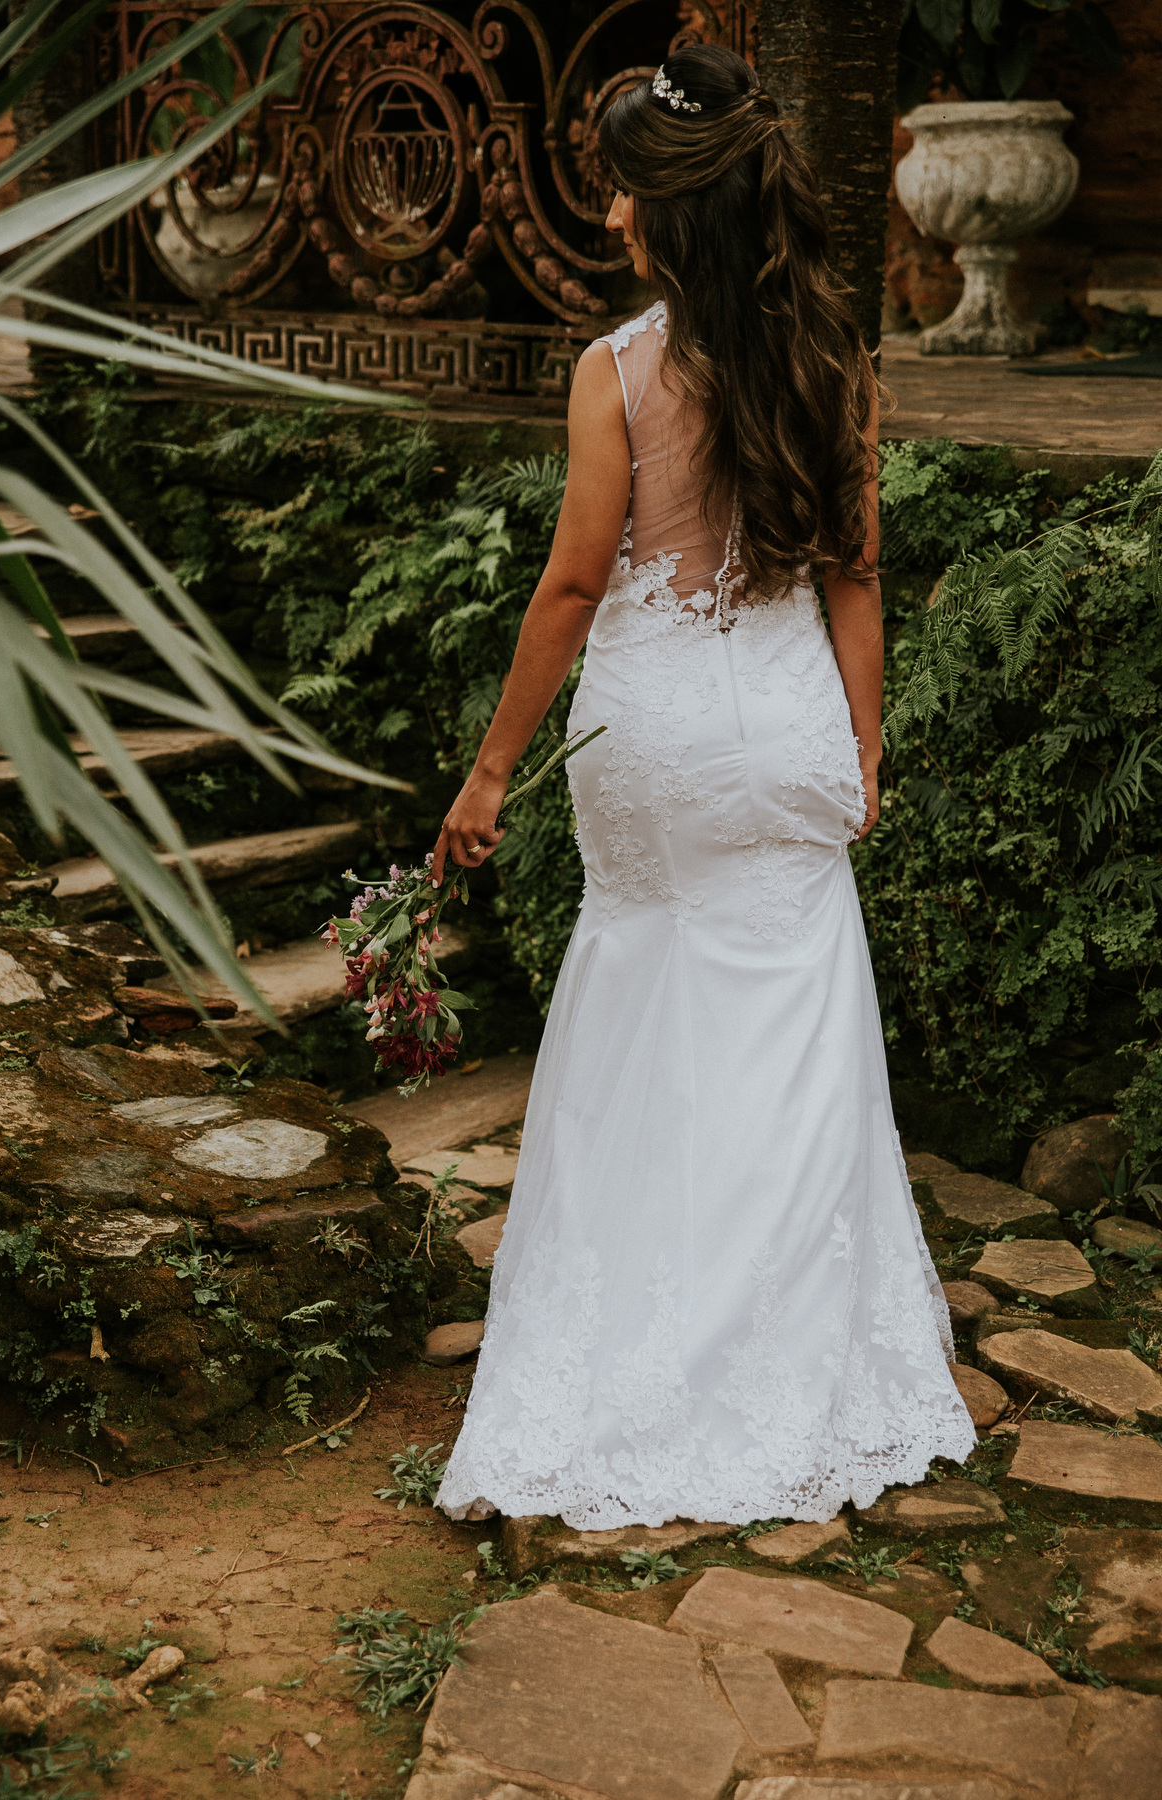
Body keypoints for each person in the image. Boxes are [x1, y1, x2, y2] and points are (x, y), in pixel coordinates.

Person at [432, 44, 974, 1530]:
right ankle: (789, 1358)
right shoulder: (834, 357)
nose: (611, 216)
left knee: (641, 1004)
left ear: (677, 210)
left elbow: (571, 587)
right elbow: (857, 574)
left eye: (623, 193)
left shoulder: (617, 374)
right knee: (791, 1041)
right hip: (790, 724)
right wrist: (865, 743)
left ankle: (637, 1340)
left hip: (658, 739)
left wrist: (488, 773)